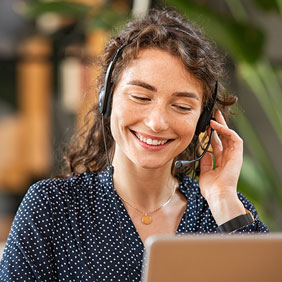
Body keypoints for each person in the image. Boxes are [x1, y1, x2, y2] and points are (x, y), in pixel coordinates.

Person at [0, 7, 268, 282]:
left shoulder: (223, 210)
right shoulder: (53, 207)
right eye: (141, 97)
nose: (156, 122)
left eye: (181, 106)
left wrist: (224, 198)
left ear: (202, 121)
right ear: (107, 99)